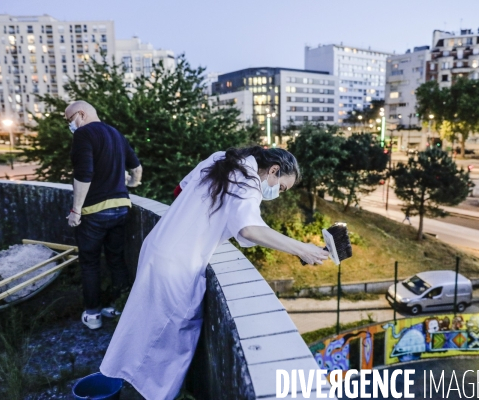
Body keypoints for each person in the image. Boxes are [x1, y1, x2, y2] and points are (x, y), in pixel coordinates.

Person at [100, 146, 328, 399]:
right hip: (176, 264)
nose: (278, 194)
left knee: (143, 323)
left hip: (158, 245)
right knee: (170, 339)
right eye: (281, 187)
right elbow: (250, 229)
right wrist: (302, 249)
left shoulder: (222, 158)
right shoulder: (249, 180)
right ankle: (151, 393)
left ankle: (125, 380)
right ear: (274, 170)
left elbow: (181, 190)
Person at [66, 100, 143, 330]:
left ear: (81, 114)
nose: (69, 125)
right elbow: (136, 169)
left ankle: (93, 315)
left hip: (94, 211)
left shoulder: (83, 135)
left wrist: (75, 211)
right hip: (121, 207)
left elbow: (84, 174)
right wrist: (132, 184)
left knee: (89, 263)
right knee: (116, 259)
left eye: (69, 120)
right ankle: (117, 307)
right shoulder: (115, 133)